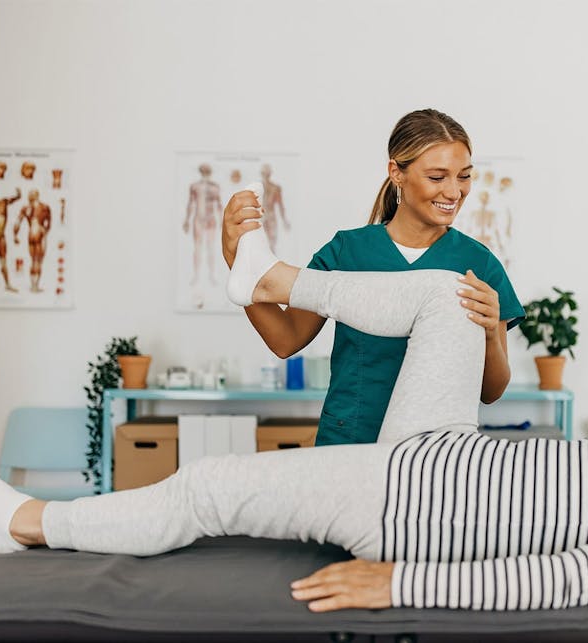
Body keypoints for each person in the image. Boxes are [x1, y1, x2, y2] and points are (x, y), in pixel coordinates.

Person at [0, 255, 588, 613]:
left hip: (404, 501)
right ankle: (270, 275)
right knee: (450, 296)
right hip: (443, 451)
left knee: (209, 489)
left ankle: (26, 523)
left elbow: (562, 579)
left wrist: (399, 583)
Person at [221, 109, 524, 446]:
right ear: (396, 173)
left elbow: (492, 392)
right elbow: (285, 339)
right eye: (437, 177)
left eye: (464, 176)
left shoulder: (479, 264)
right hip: (348, 442)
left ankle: (269, 275)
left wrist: (489, 333)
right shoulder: (348, 250)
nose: (454, 192)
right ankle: (261, 275)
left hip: (430, 452)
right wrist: (236, 260)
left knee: (442, 291)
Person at [183, 163, 223, 286]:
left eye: (207, 171)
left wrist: (221, 220)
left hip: (210, 219)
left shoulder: (214, 187)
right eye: (204, 171)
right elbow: (190, 203)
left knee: (210, 247)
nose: (205, 174)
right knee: (198, 248)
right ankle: (196, 275)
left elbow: (219, 205)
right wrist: (187, 220)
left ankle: (211, 275)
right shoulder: (195, 186)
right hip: (199, 219)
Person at [13, 189, 52, 293]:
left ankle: (32, 285)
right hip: (39, 232)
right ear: (38, 196)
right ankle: (35, 286)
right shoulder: (45, 207)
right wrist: (44, 232)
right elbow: (49, 224)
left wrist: (15, 236)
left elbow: (17, 223)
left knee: (33, 260)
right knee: (39, 261)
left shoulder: (25, 208)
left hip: (31, 233)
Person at [0, 187, 22, 292]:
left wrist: (18, 195)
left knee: (3, 262)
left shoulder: (3, 202)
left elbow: (13, 199)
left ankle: (7, 284)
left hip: (0, 237)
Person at [259, 163, 289, 253]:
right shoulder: (257, 188)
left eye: (267, 173)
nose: (266, 175)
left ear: (270, 174)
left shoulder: (275, 188)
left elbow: (280, 205)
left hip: (270, 216)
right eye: (264, 173)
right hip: (260, 217)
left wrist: (284, 220)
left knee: (271, 243)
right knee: (261, 243)